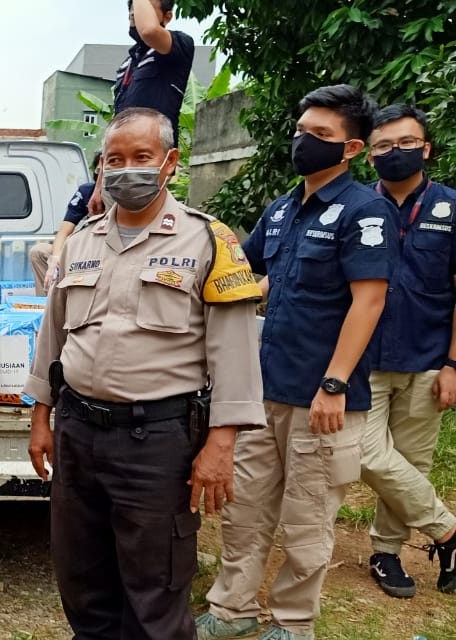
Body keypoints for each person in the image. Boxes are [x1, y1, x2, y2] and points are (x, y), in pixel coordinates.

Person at [24, 108, 265, 640]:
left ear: (170, 163)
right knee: (83, 584)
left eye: (141, 158)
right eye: (114, 160)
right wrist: (41, 415)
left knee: (154, 593)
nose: (126, 169)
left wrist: (220, 445)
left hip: (157, 442)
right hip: (78, 435)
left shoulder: (209, 243)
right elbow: (53, 336)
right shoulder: (80, 243)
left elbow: (237, 357)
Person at [198, 84, 396, 640]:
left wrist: (334, 383)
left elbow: (370, 298)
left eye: (321, 136)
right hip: (265, 389)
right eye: (301, 130)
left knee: (308, 518)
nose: (303, 142)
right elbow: (253, 276)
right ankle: (231, 611)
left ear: (352, 149)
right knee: (246, 508)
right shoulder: (284, 208)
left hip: (323, 397)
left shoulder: (365, 211)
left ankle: (292, 621)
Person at [358, 105, 456, 599]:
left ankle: (387, 553)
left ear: (426, 148)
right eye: (383, 146)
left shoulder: (451, 208)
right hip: (363, 359)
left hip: (427, 358)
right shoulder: (356, 208)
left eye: (405, 143)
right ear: (369, 155)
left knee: (412, 462)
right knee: (365, 452)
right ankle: (449, 531)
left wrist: (453, 364)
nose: (394, 153)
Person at [89, 0, 196, 214]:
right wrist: (99, 185)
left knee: (152, 233)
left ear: (167, 17)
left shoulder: (179, 46)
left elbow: (149, 30)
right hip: (118, 169)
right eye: (132, 7)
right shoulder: (125, 65)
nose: (134, 12)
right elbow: (116, 124)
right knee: (112, 234)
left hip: (151, 164)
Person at [30, 151, 104, 294]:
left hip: (102, 248)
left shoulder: (128, 195)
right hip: (83, 244)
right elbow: (64, 230)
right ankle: (46, 301)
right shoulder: (87, 191)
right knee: (39, 252)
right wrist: (56, 257)